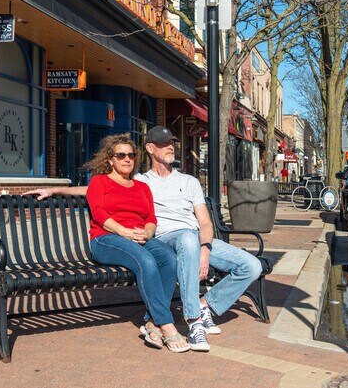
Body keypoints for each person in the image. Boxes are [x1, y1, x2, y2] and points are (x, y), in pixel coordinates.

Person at [25, 126, 262, 353]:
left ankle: (199, 306)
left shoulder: (178, 182)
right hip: (158, 238)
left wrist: (205, 250)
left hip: (192, 239)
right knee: (171, 249)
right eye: (164, 143)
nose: (170, 147)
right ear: (150, 149)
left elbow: (203, 222)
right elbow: (95, 191)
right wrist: (54, 190)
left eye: (172, 143)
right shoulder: (141, 179)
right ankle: (192, 320)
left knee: (252, 265)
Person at [82, 133, 189, 353]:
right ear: (110, 159)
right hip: (106, 239)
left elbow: (151, 218)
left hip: (138, 237)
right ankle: (167, 324)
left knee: (169, 258)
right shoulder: (99, 182)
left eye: (131, 155)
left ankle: (151, 322)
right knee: (146, 261)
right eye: (120, 155)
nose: (127, 159)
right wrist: (124, 232)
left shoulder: (141, 186)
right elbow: (99, 214)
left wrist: (147, 233)